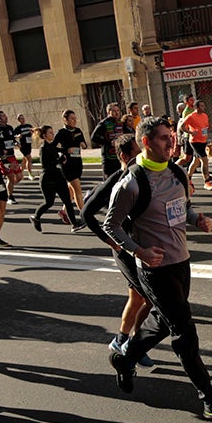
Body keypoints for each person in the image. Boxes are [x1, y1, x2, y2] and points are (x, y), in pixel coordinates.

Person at [102, 116, 212, 421]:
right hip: (155, 270)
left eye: (171, 136)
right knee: (184, 332)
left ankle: (125, 358)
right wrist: (138, 250)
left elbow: (182, 207)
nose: (171, 141)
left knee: (163, 322)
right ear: (147, 142)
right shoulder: (131, 182)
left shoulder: (175, 171)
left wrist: (197, 218)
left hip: (181, 262)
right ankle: (208, 398)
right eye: (164, 137)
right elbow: (110, 226)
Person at [82, 133, 155, 368]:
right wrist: (109, 240)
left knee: (136, 298)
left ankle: (122, 340)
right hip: (124, 247)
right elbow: (86, 213)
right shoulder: (117, 179)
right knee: (146, 297)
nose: (142, 156)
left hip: (139, 244)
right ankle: (133, 344)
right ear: (124, 156)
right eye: (137, 152)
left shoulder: (143, 175)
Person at [29, 126, 80, 233]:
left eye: (53, 132)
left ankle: (74, 223)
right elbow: (45, 165)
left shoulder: (52, 145)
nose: (53, 135)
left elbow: (60, 150)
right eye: (50, 133)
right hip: (48, 179)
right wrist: (59, 160)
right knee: (49, 203)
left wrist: (67, 151)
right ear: (44, 135)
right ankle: (36, 217)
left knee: (67, 201)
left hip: (59, 177)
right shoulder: (43, 148)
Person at [54, 109, 89, 211]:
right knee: (78, 190)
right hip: (67, 164)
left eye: (75, 118)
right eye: (72, 119)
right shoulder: (61, 133)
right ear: (65, 120)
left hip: (77, 163)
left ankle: (63, 211)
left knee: (72, 189)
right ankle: (84, 215)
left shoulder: (78, 131)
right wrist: (65, 150)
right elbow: (52, 147)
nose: (74, 121)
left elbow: (84, 144)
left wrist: (83, 145)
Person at [182, 100, 212, 190]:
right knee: (204, 160)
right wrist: (190, 132)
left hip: (203, 140)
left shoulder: (205, 115)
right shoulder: (191, 116)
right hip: (195, 141)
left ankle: (188, 178)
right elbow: (182, 126)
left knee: (196, 160)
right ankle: (206, 181)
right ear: (196, 107)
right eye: (201, 106)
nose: (203, 108)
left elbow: (205, 127)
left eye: (203, 106)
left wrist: (210, 128)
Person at [0, 111, 22, 204]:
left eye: (5, 115)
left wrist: (16, 143)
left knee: (19, 176)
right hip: (4, 157)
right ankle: (10, 197)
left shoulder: (10, 128)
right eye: (3, 116)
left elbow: (12, 139)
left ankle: (8, 187)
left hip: (12, 155)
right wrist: (0, 151)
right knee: (11, 177)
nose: (6, 117)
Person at [91, 102, 128, 179]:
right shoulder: (104, 123)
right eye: (114, 111)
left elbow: (128, 135)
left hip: (119, 158)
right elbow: (94, 137)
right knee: (109, 182)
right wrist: (108, 142)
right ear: (108, 112)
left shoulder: (121, 123)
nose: (117, 113)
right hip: (109, 159)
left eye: (118, 110)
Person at [14, 114, 35, 180]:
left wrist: (32, 133)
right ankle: (30, 174)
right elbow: (13, 136)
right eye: (21, 119)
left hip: (29, 144)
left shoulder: (29, 126)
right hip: (22, 145)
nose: (22, 120)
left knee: (24, 160)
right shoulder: (18, 128)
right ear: (18, 120)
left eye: (23, 118)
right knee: (29, 159)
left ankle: (20, 173)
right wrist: (17, 137)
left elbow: (34, 133)